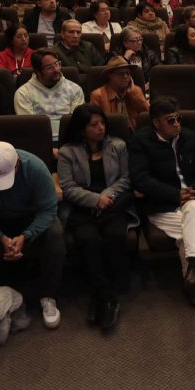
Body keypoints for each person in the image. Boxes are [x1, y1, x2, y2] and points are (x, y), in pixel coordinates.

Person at [0, 141, 65, 330]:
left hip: (29, 216)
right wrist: (0, 237)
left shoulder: (36, 168)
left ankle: (48, 295)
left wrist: (26, 235)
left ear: (17, 164)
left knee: (56, 235)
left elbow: (48, 209)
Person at [129, 97, 195, 311]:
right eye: (170, 120)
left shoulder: (190, 137)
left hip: (194, 198)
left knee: (193, 208)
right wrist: (175, 195)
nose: (177, 124)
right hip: (162, 205)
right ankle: (192, 280)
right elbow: (141, 179)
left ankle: (192, 273)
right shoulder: (141, 141)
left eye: (178, 119)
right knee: (189, 233)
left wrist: (194, 190)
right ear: (156, 123)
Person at [57, 104, 136, 331]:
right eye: (94, 124)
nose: (101, 127)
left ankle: (98, 295)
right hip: (82, 208)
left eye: (102, 123)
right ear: (82, 129)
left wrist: (105, 196)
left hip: (112, 205)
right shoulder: (67, 152)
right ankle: (106, 296)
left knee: (113, 235)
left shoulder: (118, 146)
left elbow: (127, 179)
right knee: (88, 240)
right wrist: (94, 200)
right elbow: (68, 187)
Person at [14, 48, 84, 143]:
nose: (56, 70)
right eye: (49, 67)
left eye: (57, 64)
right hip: (38, 142)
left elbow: (78, 123)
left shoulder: (75, 89)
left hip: (70, 140)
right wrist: (48, 148)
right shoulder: (23, 93)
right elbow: (29, 128)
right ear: (38, 72)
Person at [89, 56, 149, 130]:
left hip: (135, 135)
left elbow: (148, 116)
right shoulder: (98, 95)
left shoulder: (136, 91)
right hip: (110, 135)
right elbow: (96, 124)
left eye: (128, 73)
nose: (125, 76)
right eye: (121, 73)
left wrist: (133, 94)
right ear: (110, 75)